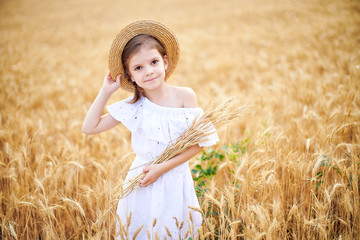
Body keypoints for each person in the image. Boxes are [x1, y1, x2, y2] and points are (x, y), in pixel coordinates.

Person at [82, 20, 219, 239]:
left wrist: (161, 168)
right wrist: (106, 91)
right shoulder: (135, 106)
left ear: (165, 62)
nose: (148, 71)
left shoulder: (185, 96)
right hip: (142, 181)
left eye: (154, 62)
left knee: (173, 231)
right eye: (138, 68)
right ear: (130, 76)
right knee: (141, 230)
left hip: (174, 179)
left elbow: (198, 144)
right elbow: (89, 127)